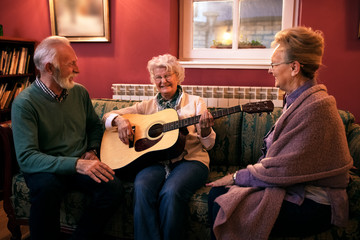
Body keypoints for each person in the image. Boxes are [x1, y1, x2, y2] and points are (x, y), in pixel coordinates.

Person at [206, 26, 353, 240]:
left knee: (220, 197)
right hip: (295, 187)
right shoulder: (298, 101)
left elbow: (284, 169)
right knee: (220, 196)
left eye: (274, 64)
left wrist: (237, 176)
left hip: (315, 202)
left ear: (294, 67)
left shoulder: (317, 107)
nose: (270, 70)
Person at [11, 36, 123, 240]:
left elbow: (94, 126)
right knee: (46, 190)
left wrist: (92, 150)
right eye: (71, 64)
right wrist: (76, 164)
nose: (77, 70)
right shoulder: (24, 103)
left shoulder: (79, 92)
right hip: (46, 167)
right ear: (49, 68)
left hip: (80, 162)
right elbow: (27, 158)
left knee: (112, 187)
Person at [102, 53, 216, 240]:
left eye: (167, 75)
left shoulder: (196, 103)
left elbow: (209, 145)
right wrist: (120, 120)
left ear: (178, 76)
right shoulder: (147, 107)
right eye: (158, 77)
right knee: (142, 187)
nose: (163, 81)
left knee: (170, 192)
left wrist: (204, 130)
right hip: (155, 162)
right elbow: (107, 116)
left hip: (190, 160)